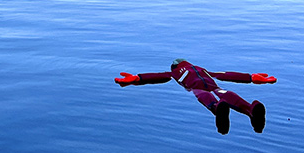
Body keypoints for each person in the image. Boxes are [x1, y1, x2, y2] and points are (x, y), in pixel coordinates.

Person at [114, 58, 277, 134]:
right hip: (215, 85)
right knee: (224, 92)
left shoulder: (175, 72)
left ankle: (216, 107)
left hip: (197, 88)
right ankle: (251, 108)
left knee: (203, 95)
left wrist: (137, 79)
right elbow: (225, 74)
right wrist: (251, 77)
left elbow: (159, 76)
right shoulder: (202, 69)